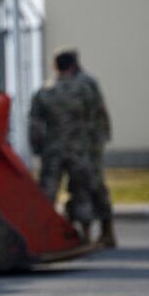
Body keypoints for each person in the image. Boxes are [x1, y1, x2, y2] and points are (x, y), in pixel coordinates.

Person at [28, 49, 100, 242]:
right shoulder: (84, 89)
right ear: (72, 65)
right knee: (82, 192)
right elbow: (95, 118)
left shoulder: (45, 92)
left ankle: (41, 236)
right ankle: (86, 235)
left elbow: (35, 125)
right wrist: (93, 146)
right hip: (79, 149)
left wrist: (37, 148)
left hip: (53, 151)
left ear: (55, 66)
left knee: (47, 194)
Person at [73, 51, 115, 247]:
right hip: (89, 143)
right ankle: (104, 232)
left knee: (89, 186)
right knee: (90, 186)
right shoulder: (89, 82)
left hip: (85, 145)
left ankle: (95, 233)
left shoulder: (80, 84)